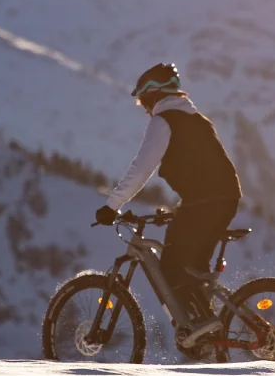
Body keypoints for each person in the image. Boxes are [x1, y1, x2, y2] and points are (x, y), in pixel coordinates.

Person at [95, 63, 242, 358]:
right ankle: (205, 331)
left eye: (144, 102)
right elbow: (201, 170)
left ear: (153, 95)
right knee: (192, 270)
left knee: (172, 266)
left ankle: (204, 325)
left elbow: (141, 168)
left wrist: (112, 206)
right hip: (220, 199)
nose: (145, 110)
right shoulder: (196, 118)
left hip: (206, 201)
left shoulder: (165, 120)